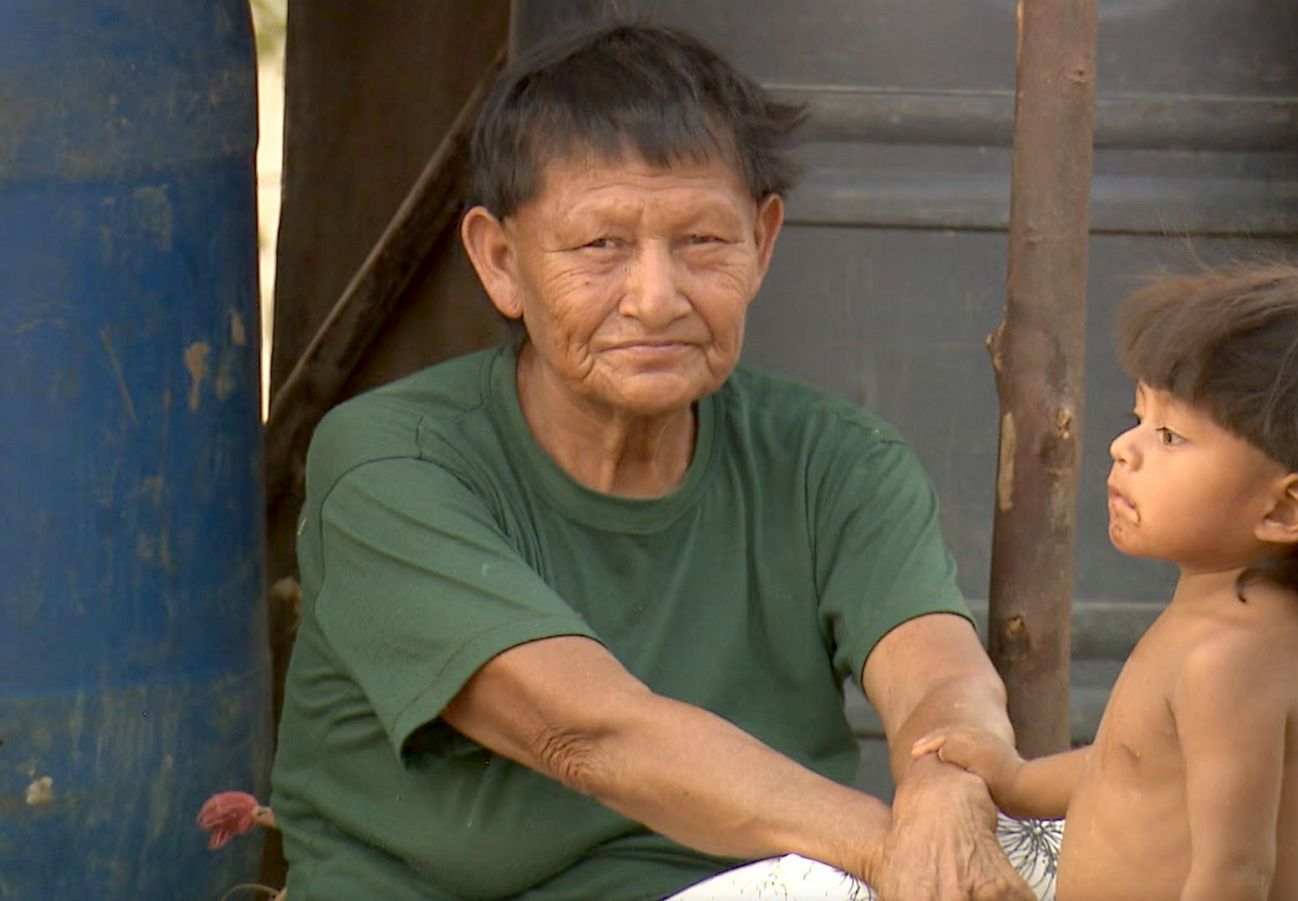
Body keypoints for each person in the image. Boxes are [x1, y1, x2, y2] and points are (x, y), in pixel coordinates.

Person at [268, 20, 1040, 901]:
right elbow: (591, 733)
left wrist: (948, 781)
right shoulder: (391, 463)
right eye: (602, 246)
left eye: (703, 243)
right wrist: (894, 846)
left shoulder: (836, 462)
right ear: (500, 261)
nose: (655, 297)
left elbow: (939, 671)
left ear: (764, 243)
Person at [914, 265, 1298, 900]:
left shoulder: (1234, 660)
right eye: (1137, 417)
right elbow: (1131, 766)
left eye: (1169, 436)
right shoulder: (1223, 619)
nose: (1123, 448)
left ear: (1285, 510)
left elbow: (1235, 873)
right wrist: (1017, 780)